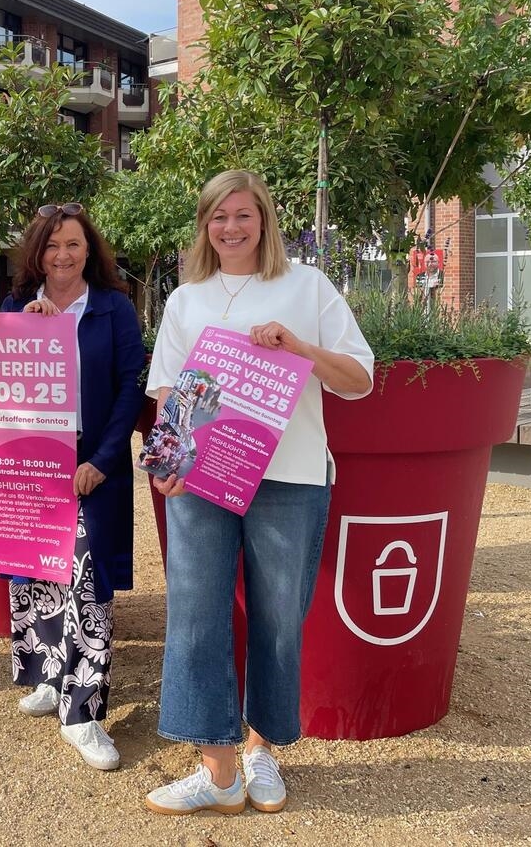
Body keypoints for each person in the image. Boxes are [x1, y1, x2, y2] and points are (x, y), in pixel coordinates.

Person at [143, 171, 374, 815]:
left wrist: (299, 347)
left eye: (243, 215)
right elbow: (168, 391)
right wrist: (167, 458)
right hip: (202, 478)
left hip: (290, 476)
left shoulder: (308, 287)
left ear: (264, 220)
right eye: (219, 217)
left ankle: (260, 750)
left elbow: (358, 378)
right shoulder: (184, 300)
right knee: (195, 614)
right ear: (205, 225)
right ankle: (217, 770)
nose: (232, 229)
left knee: (277, 620)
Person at [2, 202, 145, 771]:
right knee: (38, 570)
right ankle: (47, 676)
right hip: (32, 462)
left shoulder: (114, 309)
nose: (62, 256)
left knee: (86, 583)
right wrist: (23, 332)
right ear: (37, 253)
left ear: (90, 251)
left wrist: (106, 460)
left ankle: (82, 713)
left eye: (74, 246)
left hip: (92, 463)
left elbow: (131, 389)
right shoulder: (16, 306)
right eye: (52, 246)